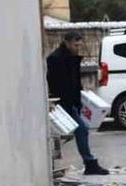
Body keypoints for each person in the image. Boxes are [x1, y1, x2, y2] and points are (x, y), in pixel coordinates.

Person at [47, 31, 109, 176]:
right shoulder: (56, 59)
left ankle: (89, 163)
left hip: (70, 103)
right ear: (67, 42)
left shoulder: (69, 58)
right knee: (80, 130)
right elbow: (58, 84)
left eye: (79, 45)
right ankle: (89, 163)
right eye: (76, 44)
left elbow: (75, 82)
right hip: (62, 104)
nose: (78, 48)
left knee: (76, 131)